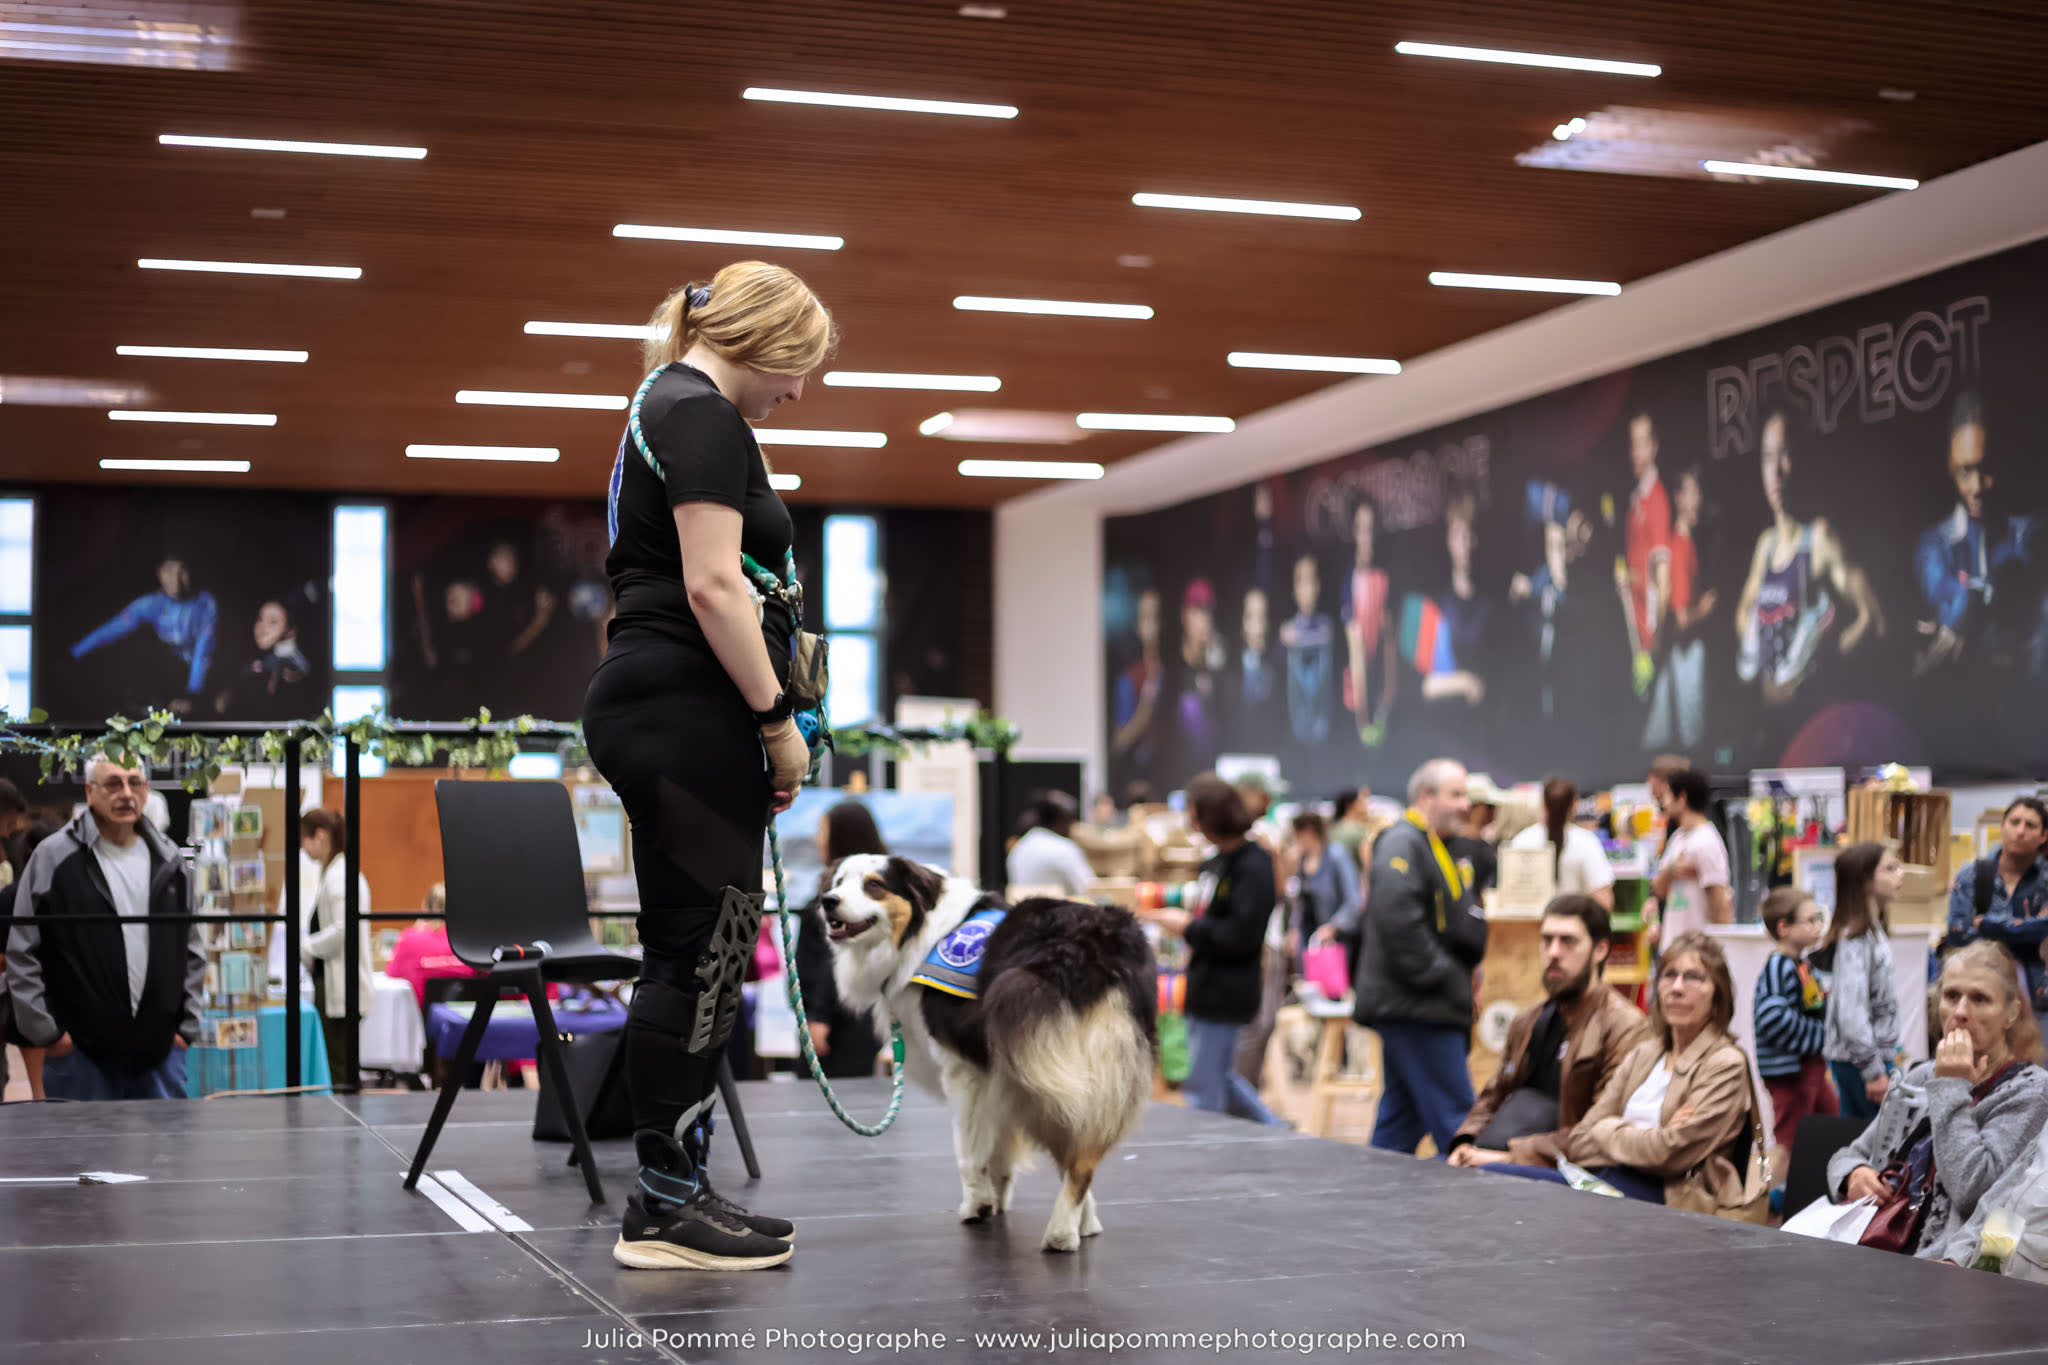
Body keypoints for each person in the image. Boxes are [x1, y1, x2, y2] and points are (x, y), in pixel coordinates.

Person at [582, 260, 835, 1271]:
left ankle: (680, 1187)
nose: (798, 391)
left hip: (680, 709)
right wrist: (775, 722)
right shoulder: (698, 413)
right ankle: (660, 1207)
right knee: (696, 952)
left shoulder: (675, 405)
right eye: (797, 365)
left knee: (713, 951)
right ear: (761, 340)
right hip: (681, 706)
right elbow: (715, 586)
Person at [1826, 941, 2048, 1259]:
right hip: (1870, 1243)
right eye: (1951, 996)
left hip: (1938, 1266)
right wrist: (1855, 1174)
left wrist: (1950, 1086)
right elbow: (1848, 1155)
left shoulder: (2029, 1091)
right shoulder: (1922, 1075)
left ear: (2011, 1013)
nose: (1960, 1012)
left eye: (1980, 999)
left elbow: (1972, 1192)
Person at [5, 758, 202, 1100]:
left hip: (160, 1056)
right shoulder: (53, 857)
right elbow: (23, 949)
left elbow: (192, 949)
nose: (126, 793)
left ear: (146, 790)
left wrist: (186, 1028)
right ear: (89, 791)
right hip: (80, 1059)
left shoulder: (170, 861)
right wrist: (49, 1034)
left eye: (135, 782)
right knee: (79, 1138)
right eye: (113, 783)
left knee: (166, 1138)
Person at [1449, 895, 1648, 1168]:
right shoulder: (1527, 1021)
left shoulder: (1625, 1027)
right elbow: (1494, 1095)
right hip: (1505, 1156)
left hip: (1574, 1169)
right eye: (1547, 940)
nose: (1553, 952)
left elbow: (1603, 1128)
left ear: (1600, 950)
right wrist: (1465, 1142)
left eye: (1568, 941)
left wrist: (1511, 1157)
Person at [1354, 760, 1488, 1154]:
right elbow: (1398, 921)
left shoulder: (1422, 842)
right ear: (1426, 796)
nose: (1465, 805)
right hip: (1420, 1008)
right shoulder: (1404, 842)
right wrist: (1444, 976)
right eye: (1455, 795)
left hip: (1416, 1005)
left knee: (1400, 1122)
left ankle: (1376, 1189)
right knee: (1459, 1130)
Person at [1147, 775, 1286, 1126]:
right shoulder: (1220, 862)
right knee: (1218, 1080)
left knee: (1203, 1090)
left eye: (1195, 815)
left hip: (1225, 991)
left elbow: (1240, 935)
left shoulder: (1252, 865)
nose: (1191, 824)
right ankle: (1278, 1135)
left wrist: (1187, 927)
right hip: (1206, 986)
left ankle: (1247, 1143)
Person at [1733, 409, 1882, 707]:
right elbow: (1742, 614)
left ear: (1799, 458)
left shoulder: (1819, 538)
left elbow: (1873, 619)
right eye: (1767, 457)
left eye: (1784, 454)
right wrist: (1762, 658)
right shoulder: (1766, 545)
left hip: (1812, 720)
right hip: (1769, 722)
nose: (1776, 471)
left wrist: (1823, 661)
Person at [1914, 393, 2041, 676]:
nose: (1977, 487)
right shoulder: (1934, 546)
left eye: (1986, 469)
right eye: (1965, 472)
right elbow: (1941, 596)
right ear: (1951, 467)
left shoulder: (2029, 536)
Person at [1942, 797, 2048, 1049]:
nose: (2020, 831)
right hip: (1980, 994)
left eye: (2030, 825)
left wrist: (1989, 925)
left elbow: (2045, 927)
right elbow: (1958, 934)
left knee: (2037, 1062)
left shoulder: (2045, 879)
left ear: (2044, 835)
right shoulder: (1973, 875)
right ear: (2002, 825)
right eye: (2014, 822)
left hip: (2038, 995)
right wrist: (2024, 932)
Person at [793, 800, 883, 1079]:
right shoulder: (848, 890)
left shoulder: (847, 898)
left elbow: (837, 954)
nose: (817, 839)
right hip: (837, 1018)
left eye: (823, 831)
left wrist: (819, 1017)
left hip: (839, 1025)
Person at [1819, 841, 1907, 1119]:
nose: (1900, 874)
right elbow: (1851, 1012)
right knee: (1874, 1138)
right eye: (1890, 868)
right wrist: (1873, 1071)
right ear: (1865, 880)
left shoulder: (1871, 932)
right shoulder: (1855, 940)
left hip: (1868, 1059)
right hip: (1861, 1063)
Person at [70, 557, 220, 713]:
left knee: (217, 705)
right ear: (159, 573)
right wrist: (73, 654)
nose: (175, 580)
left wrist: (193, 695)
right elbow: (110, 630)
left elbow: (203, 652)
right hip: (175, 676)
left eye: (182, 571)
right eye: (169, 571)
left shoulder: (206, 603)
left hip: (208, 676)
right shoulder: (153, 603)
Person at [1753, 888, 1839, 1152]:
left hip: (1808, 1067)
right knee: (1790, 1143)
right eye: (1810, 920)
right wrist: (1820, 1035)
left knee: (1829, 1126)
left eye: (1819, 919)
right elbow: (1772, 1018)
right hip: (1790, 1073)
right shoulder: (1779, 966)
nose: (1818, 927)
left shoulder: (1800, 964)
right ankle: (1776, 1181)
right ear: (1784, 928)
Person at [296, 808, 374, 1081]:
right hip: (335, 986)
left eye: (303, 839)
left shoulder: (340, 876)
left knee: (338, 1068)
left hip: (340, 989)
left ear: (320, 835)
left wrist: (306, 947)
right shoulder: (337, 873)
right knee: (336, 1064)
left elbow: (344, 930)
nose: (302, 848)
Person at [1643, 467, 1718, 751]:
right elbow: (1681, 618)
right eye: (1691, 492)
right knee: (1691, 739)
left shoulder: (1686, 544)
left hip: (1677, 654)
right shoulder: (1679, 547)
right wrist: (1705, 609)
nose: (1698, 500)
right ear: (1677, 498)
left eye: (1699, 492)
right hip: (1685, 652)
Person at [1613, 411, 1672, 701]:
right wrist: (1626, 576)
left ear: (1654, 446)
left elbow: (1663, 580)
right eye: (1631, 444)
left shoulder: (1657, 499)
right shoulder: (1636, 498)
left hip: (1648, 642)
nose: (1635, 453)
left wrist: (1654, 646)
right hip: (1633, 631)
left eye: (1642, 444)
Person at [0, 816, 60, 1098]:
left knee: (42, 1091)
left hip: (27, 999)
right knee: (44, 1092)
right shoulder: (15, 896)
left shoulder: (12, 894)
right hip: (33, 1001)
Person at [1648, 767, 1729, 947]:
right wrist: (1671, 871)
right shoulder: (1677, 838)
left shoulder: (1706, 841)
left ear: (1682, 798)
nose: (1664, 802)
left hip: (1697, 947)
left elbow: (1718, 900)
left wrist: (1716, 946)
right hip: (1672, 943)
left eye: (1668, 794)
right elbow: (1659, 889)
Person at [1506, 778, 1616, 908]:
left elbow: (1509, 895)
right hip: (1575, 919)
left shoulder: (1522, 841)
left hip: (1529, 920)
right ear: (1574, 804)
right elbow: (1604, 901)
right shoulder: (1586, 842)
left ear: (1543, 803)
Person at [1341, 501, 1397, 747]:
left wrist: (1385, 705)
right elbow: (1355, 650)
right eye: (1361, 529)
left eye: (1370, 529)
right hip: (1354, 702)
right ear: (1353, 532)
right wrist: (1361, 719)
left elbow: (1389, 648)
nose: (1366, 538)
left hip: (1381, 700)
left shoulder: (1384, 578)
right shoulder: (1347, 582)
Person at [1279, 554, 1335, 746]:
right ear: (1294, 589)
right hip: (1295, 732)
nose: (1307, 589)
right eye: (1301, 582)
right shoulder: (1287, 630)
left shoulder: (1326, 627)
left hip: (1323, 731)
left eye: (1311, 581)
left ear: (1318, 586)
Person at [1006, 791, 1095, 896]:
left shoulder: (1020, 847)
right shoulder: (1064, 848)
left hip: (1025, 906)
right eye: (1070, 822)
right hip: (1060, 906)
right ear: (1062, 821)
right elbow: (1089, 888)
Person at [1295, 813, 1361, 953]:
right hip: (1310, 939)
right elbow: (1301, 904)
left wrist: (1333, 926)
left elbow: (1353, 899)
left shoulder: (1336, 855)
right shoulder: (1303, 860)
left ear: (1308, 833)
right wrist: (1294, 930)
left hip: (1336, 939)